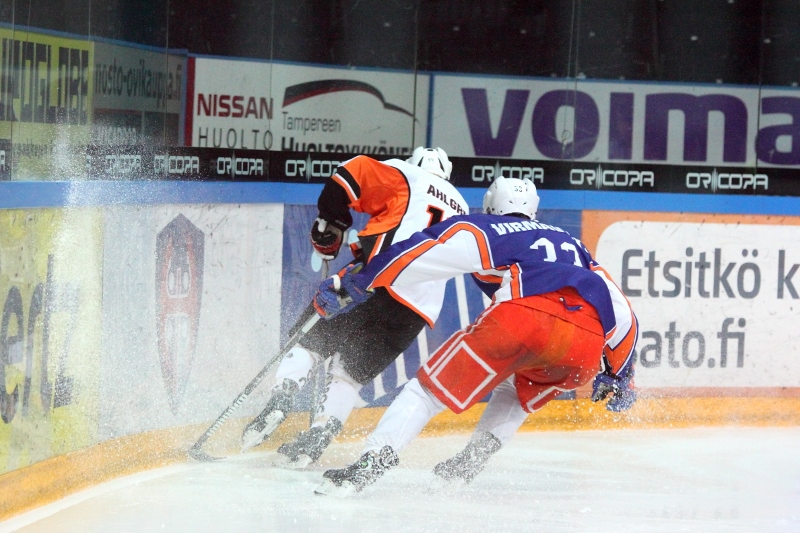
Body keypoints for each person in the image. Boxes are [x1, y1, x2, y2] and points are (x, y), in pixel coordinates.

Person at [311, 176, 638, 495]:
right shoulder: (574, 245)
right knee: (516, 390)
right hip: (585, 345)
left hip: (521, 320)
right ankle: (468, 463)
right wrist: (620, 372)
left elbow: (427, 250)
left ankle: (372, 462)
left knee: (426, 393)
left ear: (491, 206)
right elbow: (621, 311)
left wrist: (363, 279)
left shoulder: (490, 227)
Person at [240, 147, 469, 469]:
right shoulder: (462, 206)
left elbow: (349, 172)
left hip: (374, 282)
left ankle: (281, 398)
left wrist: (331, 221)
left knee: (308, 342)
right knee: (350, 375)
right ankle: (319, 436)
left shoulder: (406, 175)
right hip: (416, 312)